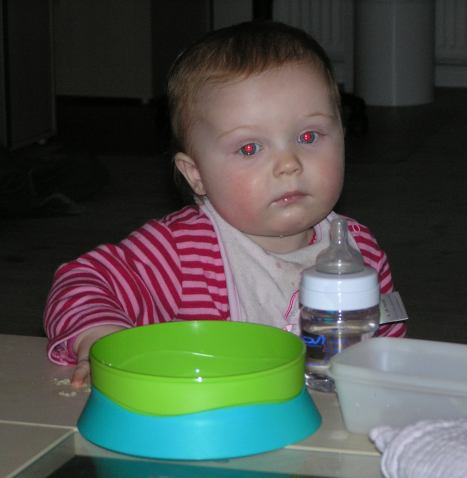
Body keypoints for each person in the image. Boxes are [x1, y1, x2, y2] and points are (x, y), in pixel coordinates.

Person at [44, 21, 406, 388]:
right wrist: (99, 338)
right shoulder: (180, 251)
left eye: (309, 136)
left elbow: (388, 352)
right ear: (196, 174)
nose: (288, 164)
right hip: (207, 416)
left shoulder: (359, 253)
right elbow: (81, 282)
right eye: (249, 148)